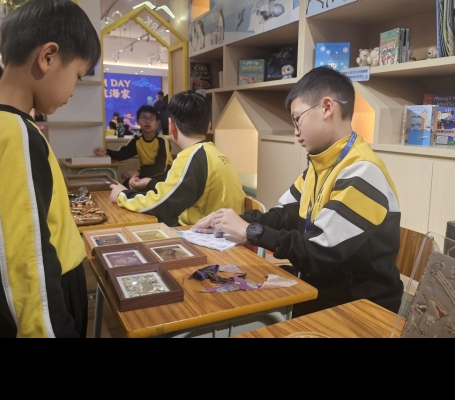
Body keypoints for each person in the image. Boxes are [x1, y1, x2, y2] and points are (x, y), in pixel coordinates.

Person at [192, 67, 404, 316]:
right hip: (322, 288)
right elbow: (284, 215)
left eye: (297, 119)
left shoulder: (363, 172)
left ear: (327, 108)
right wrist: (230, 221)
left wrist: (249, 231)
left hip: (359, 308)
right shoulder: (320, 164)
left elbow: (317, 253)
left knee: (239, 310)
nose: (295, 132)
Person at [0, 0, 101, 338]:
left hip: (34, 294)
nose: (73, 91)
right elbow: (25, 261)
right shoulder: (15, 134)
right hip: (45, 302)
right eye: (77, 76)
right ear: (48, 57)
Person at [109, 91, 245, 227]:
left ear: (171, 126)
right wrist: (151, 183)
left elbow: (161, 205)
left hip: (203, 232)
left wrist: (122, 195)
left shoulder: (191, 157)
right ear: (208, 126)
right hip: (224, 230)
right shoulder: (214, 153)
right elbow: (182, 192)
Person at [94, 105, 173, 187]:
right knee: (127, 184)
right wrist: (106, 151)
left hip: (164, 176)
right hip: (147, 174)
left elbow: (160, 168)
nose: (147, 121)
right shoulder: (137, 140)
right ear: (138, 122)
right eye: (144, 117)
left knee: (139, 187)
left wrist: (138, 172)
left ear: (157, 123)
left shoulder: (162, 140)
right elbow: (122, 154)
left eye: (152, 118)